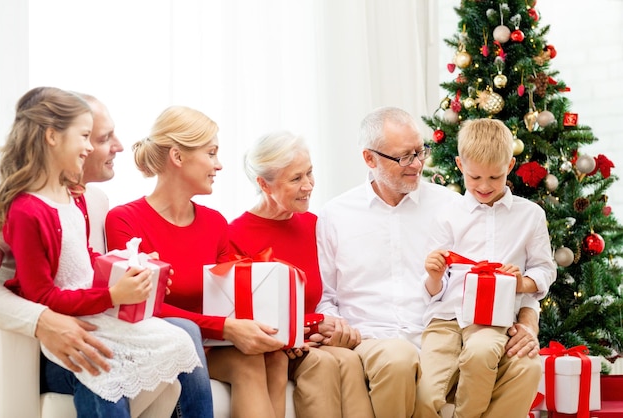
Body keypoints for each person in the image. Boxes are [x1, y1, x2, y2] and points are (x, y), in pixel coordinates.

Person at [316, 106, 544, 418]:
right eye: (404, 157)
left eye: (420, 151)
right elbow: (326, 297)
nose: (418, 164)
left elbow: (506, 270)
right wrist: (336, 327)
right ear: (370, 159)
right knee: (398, 359)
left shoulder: (453, 205)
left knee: (527, 366)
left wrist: (529, 322)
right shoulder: (335, 215)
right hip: (375, 339)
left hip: (448, 333)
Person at [0, 92, 215, 418]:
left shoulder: (87, 199)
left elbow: (82, 267)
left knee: (184, 333)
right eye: (98, 137)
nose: (120, 146)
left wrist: (137, 275)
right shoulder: (20, 205)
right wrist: (43, 321)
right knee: (102, 362)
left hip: (88, 315)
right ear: (54, 138)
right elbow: (44, 289)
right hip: (36, 339)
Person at [105, 105, 289, 418]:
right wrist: (226, 328)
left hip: (210, 341)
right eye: (212, 153)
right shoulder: (124, 220)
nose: (219, 165)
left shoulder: (215, 223)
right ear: (177, 157)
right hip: (162, 344)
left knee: (274, 356)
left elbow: (230, 298)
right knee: (248, 365)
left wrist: (283, 329)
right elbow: (143, 305)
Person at [416, 118, 556, 417]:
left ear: (510, 165)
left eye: (494, 177)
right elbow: (432, 290)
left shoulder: (530, 215)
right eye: (475, 176)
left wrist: (523, 284)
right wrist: (434, 274)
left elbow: (545, 268)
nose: (484, 186)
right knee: (425, 393)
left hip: (493, 317)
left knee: (481, 354)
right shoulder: (447, 214)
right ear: (459, 165)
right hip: (445, 318)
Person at [228, 131, 374, 418]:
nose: (308, 186)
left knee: (349, 360)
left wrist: (328, 328)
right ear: (263, 184)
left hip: (311, 341)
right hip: (272, 349)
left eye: (309, 173)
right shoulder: (236, 235)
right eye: (296, 179)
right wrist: (311, 326)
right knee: (324, 365)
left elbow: (329, 293)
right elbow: (244, 315)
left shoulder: (313, 225)